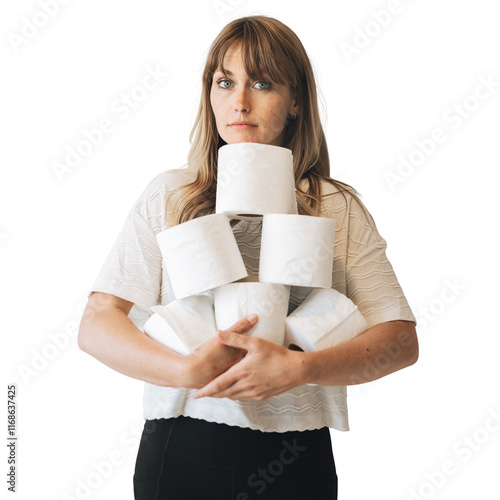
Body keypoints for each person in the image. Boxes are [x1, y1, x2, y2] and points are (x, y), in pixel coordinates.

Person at [78, 15, 418, 500]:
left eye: (262, 83)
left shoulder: (334, 206)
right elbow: (96, 323)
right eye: (224, 82)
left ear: (295, 100)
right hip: (182, 451)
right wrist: (186, 371)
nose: (239, 102)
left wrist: (298, 368)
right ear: (209, 94)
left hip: (296, 458)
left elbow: (401, 340)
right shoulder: (170, 196)